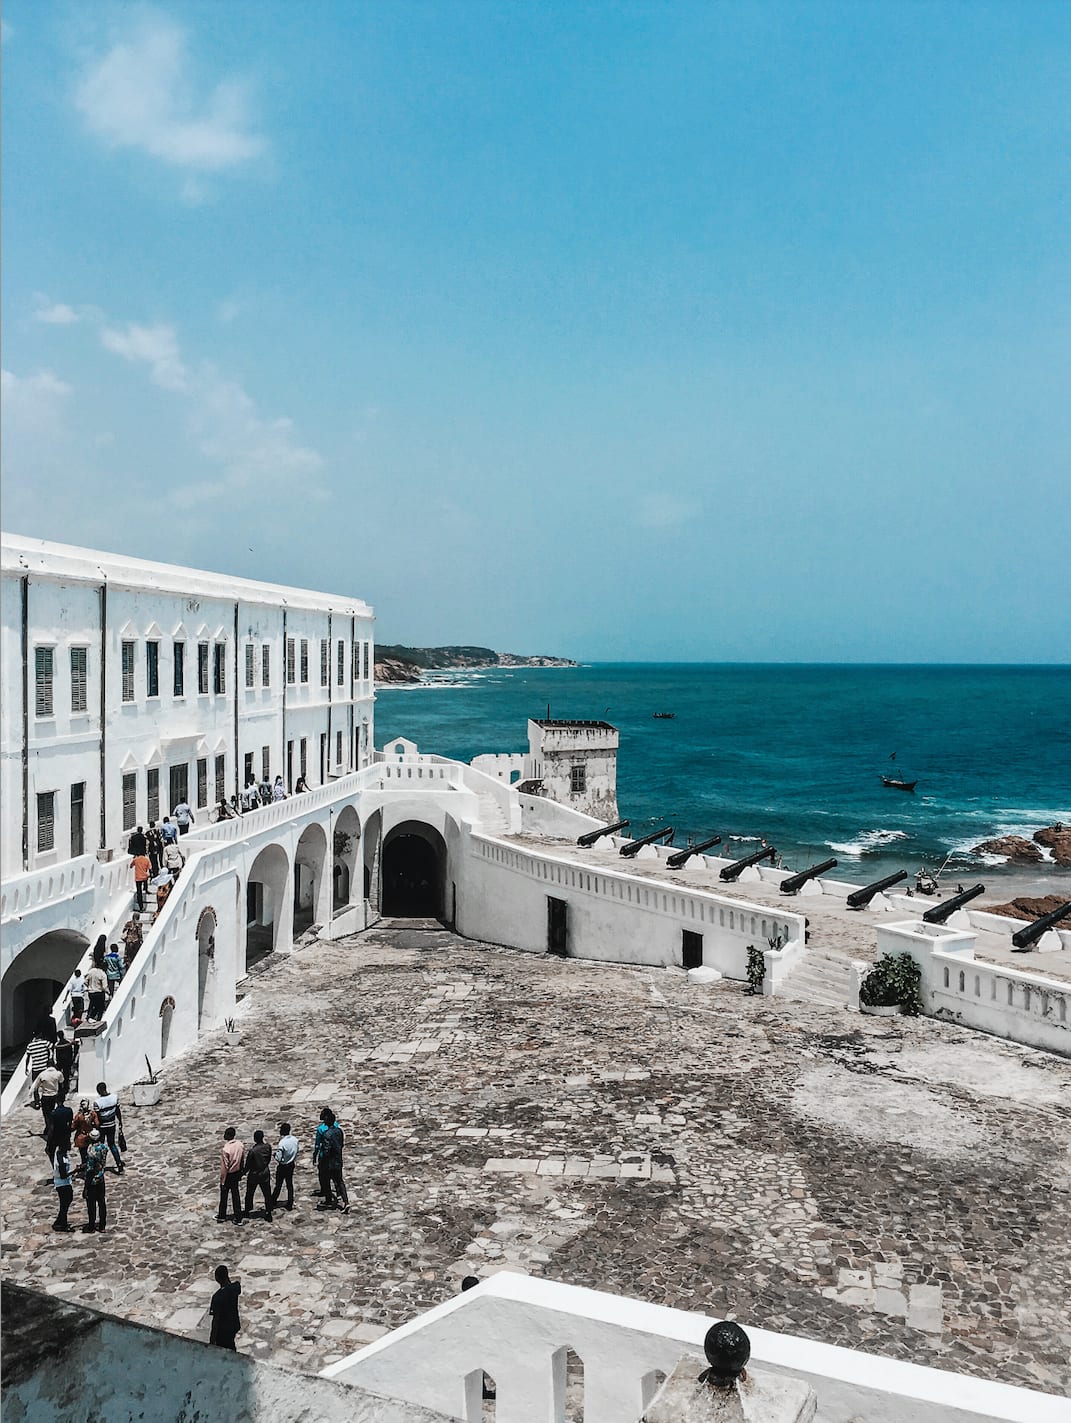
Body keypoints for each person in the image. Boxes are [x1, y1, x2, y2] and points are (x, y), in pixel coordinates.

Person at [317, 1109, 349, 1213]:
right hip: (338, 1160)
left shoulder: (327, 1134)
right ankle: (346, 1202)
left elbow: (326, 1151)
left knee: (325, 1180)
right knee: (340, 1181)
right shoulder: (339, 1131)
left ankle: (328, 1200)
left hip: (329, 1163)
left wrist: (322, 1160)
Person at [93, 1082, 124, 1173]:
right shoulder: (114, 1098)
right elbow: (118, 1111)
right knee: (112, 1144)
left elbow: (97, 1117)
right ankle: (119, 1164)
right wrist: (120, 1122)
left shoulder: (97, 1102)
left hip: (102, 1127)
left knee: (101, 1146)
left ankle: (100, 1166)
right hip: (112, 1124)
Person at [209, 1265, 242, 1350]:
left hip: (222, 1331)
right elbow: (233, 1286)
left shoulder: (217, 1297)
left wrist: (212, 1340)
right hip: (233, 1324)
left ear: (217, 1278)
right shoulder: (235, 1287)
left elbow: (216, 1320)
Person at [243, 1130, 273, 1222]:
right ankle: (268, 1211)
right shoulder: (268, 1147)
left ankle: (248, 1209)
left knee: (249, 1193)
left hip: (254, 1175)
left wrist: (243, 1173)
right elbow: (268, 1159)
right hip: (264, 1173)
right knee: (267, 1193)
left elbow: (248, 1165)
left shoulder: (253, 1151)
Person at [82, 1129, 108, 1233]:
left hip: (92, 1182)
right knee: (102, 1203)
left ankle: (92, 1226)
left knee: (91, 1205)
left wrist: (85, 1187)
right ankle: (102, 1225)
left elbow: (89, 1170)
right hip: (101, 1178)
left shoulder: (90, 1151)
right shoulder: (103, 1147)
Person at [218, 1127, 245, 1225]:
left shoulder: (226, 1149)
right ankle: (238, 1217)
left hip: (229, 1174)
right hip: (236, 1173)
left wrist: (222, 1180)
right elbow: (242, 1159)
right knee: (235, 1195)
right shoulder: (240, 1145)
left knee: (224, 1196)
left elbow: (225, 1167)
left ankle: (222, 1215)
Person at [271, 1122, 299, 1211]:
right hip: (291, 1164)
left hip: (283, 1166)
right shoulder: (295, 1140)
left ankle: (273, 1200)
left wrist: (275, 1155)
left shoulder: (282, 1143)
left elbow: (279, 1158)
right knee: (289, 1184)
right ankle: (290, 1202)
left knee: (278, 1184)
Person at [34, 1062, 64, 1134]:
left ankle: (49, 1127)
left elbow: (35, 1088)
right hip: (54, 1096)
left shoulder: (42, 1074)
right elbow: (61, 1084)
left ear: (47, 1066)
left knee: (46, 1114)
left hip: (46, 1096)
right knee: (53, 1113)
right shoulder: (58, 1073)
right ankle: (52, 1127)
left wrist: (37, 1101)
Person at [52, 1144, 76, 1232]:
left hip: (63, 1183)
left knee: (66, 1202)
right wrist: (75, 1171)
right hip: (62, 1184)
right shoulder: (61, 1160)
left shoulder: (60, 1154)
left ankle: (60, 1221)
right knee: (65, 1203)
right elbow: (63, 1175)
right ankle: (62, 1224)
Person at [72, 1098, 97, 1171]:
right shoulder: (92, 1114)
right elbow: (97, 1124)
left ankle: (85, 1168)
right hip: (91, 1136)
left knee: (83, 1155)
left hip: (81, 1137)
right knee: (91, 1154)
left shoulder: (79, 1116)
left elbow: (73, 1126)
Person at [54, 1032, 78, 1096]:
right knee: (66, 1075)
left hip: (60, 1062)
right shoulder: (68, 1043)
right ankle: (66, 1087)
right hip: (67, 1062)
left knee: (59, 1075)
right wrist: (71, 1060)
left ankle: (60, 1088)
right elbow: (71, 1052)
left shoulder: (58, 1044)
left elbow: (56, 1054)